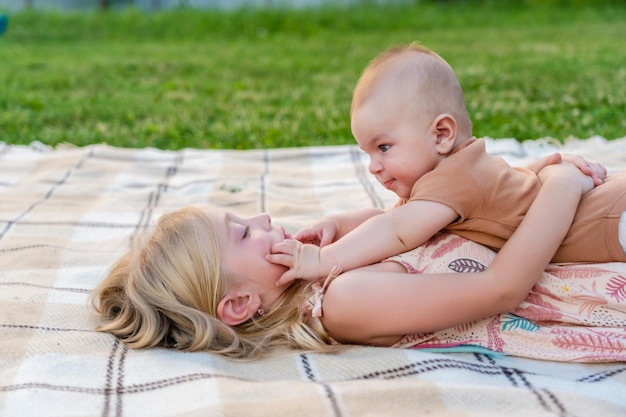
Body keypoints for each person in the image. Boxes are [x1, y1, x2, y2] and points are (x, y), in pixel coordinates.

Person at [91, 161, 621, 360]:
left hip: (586, 223)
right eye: (242, 231)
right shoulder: (346, 301)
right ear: (239, 303)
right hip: (596, 245)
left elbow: (427, 221)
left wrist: (340, 230)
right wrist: (559, 185)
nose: (262, 216)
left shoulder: (333, 269)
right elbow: (503, 287)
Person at [269, 43, 626, 285]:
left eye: (384, 147)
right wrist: (337, 224)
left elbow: (396, 229)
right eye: (368, 153)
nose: (374, 167)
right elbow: (389, 218)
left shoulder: (453, 177)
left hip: (607, 220)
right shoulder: (444, 180)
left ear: (441, 134)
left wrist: (322, 260)